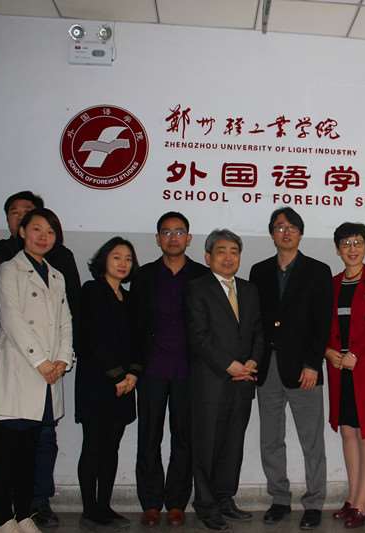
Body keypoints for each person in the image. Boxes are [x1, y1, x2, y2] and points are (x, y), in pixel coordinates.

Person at [0, 190, 81, 527]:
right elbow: (10, 319)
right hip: (20, 371)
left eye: (50, 231)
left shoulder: (56, 275)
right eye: (37, 229)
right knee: (6, 452)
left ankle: (24, 514)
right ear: (22, 231)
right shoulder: (9, 269)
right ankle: (3, 517)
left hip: (48, 376)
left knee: (30, 453)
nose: (43, 236)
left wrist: (62, 360)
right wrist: (41, 362)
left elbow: (66, 321)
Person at [249, 207, 333, 530]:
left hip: (304, 370)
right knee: (271, 439)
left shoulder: (318, 271)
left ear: (301, 233)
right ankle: (280, 499)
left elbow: (322, 323)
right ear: (272, 233)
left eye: (292, 227)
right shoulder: (259, 271)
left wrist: (313, 364)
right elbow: (256, 322)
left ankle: (314, 502)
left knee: (311, 440)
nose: (286, 232)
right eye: (279, 227)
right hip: (267, 368)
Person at [129, 211, 209, 527]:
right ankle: (150, 502)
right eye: (166, 232)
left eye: (179, 232)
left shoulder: (202, 276)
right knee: (149, 436)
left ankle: (176, 502)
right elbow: (134, 325)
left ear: (189, 238)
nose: (173, 238)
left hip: (189, 371)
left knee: (184, 437)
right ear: (157, 238)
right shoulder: (144, 276)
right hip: (152, 369)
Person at [186, 229, 264, 532]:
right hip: (211, 382)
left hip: (243, 381)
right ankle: (206, 505)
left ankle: (225, 497)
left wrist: (253, 361)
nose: (228, 257)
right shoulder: (197, 288)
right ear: (208, 257)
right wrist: (229, 366)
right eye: (221, 251)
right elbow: (198, 336)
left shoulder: (249, 289)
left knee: (233, 444)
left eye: (234, 251)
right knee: (206, 445)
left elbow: (258, 331)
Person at [324, 223, 365, 529]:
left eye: (358, 243)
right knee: (348, 431)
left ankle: (363, 502)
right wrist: (328, 351)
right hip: (339, 367)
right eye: (346, 243)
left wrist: (356, 353)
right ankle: (352, 498)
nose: (352, 249)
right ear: (338, 249)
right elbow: (323, 325)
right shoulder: (333, 283)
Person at [76, 237, 141, 529]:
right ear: (104, 260)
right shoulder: (92, 291)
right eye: (117, 257)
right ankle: (90, 509)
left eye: (128, 258)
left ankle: (104, 505)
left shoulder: (129, 298)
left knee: (111, 448)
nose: (123, 263)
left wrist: (133, 374)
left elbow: (139, 340)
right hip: (97, 384)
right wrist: (116, 375)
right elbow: (90, 338)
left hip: (125, 385)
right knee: (93, 446)